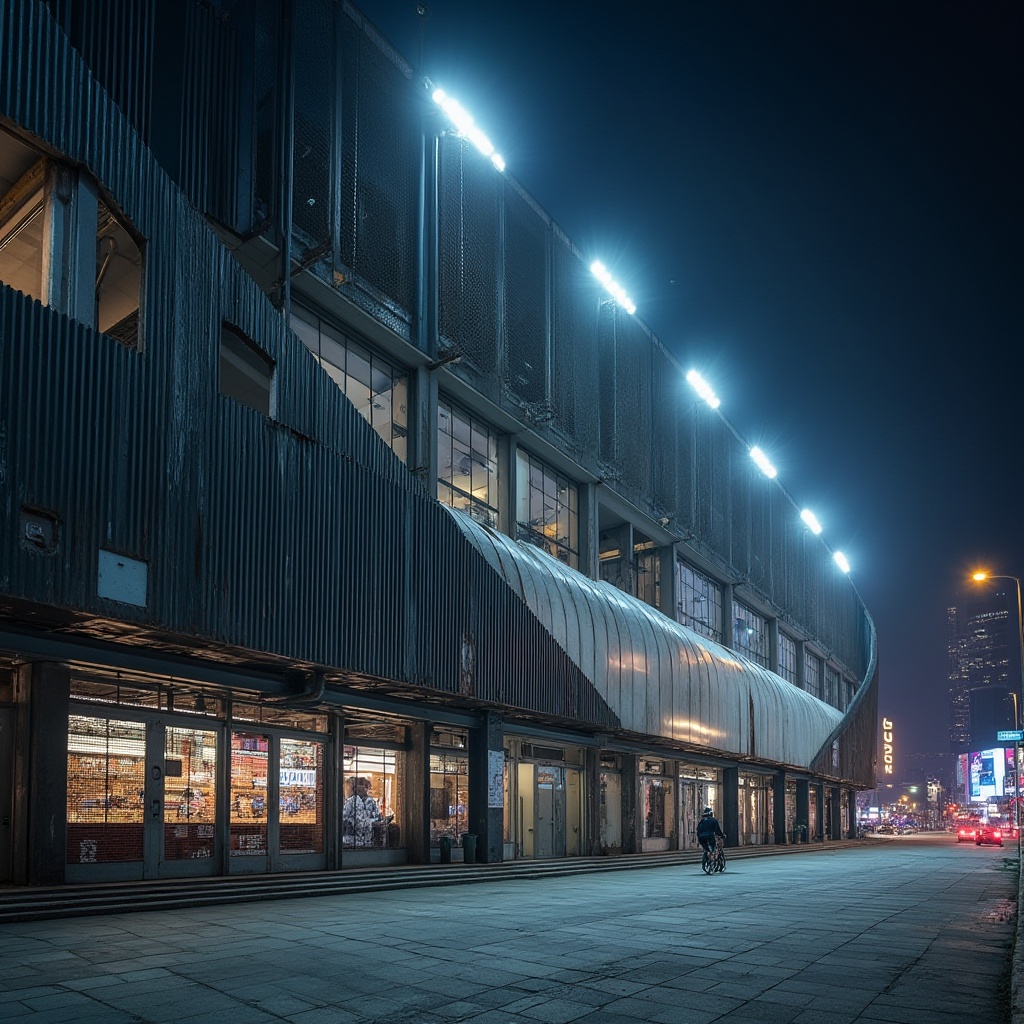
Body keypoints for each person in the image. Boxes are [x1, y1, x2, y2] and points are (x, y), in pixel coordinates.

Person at [342, 776, 381, 846]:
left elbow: (377, 819)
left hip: (362, 841)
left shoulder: (370, 802)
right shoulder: (352, 801)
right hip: (357, 841)